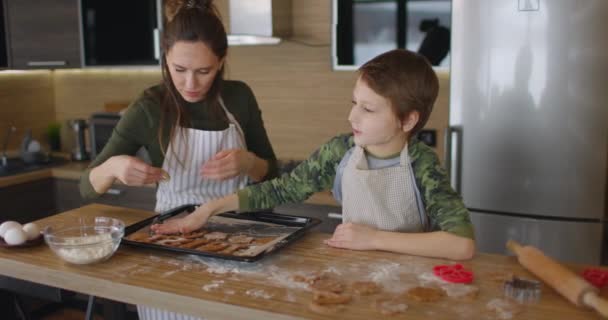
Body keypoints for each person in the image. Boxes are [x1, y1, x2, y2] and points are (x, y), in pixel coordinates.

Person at [153, 49, 476, 261]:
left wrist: (373, 238)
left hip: (410, 280)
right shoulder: (341, 150)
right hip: (351, 270)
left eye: (368, 109)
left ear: (408, 120)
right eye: (354, 103)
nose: (353, 118)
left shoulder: (422, 164)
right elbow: (280, 188)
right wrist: (206, 210)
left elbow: (460, 244)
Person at [79, 0, 278, 213]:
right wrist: (113, 168)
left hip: (244, 228)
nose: (190, 84)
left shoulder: (239, 96)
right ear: (166, 57)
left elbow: (273, 175)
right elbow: (86, 188)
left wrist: (249, 163)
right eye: (180, 69)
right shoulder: (149, 107)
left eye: (204, 71)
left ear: (220, 63)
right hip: (174, 230)